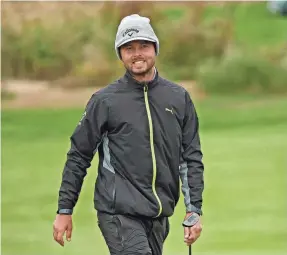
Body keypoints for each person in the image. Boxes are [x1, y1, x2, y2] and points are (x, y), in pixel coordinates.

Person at [53, 14, 204, 255]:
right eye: (128, 48)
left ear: (155, 48)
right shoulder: (105, 101)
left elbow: (190, 158)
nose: (137, 54)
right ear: (120, 54)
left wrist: (193, 209)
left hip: (158, 214)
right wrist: (64, 209)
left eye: (143, 46)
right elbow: (79, 156)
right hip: (118, 212)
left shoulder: (178, 98)